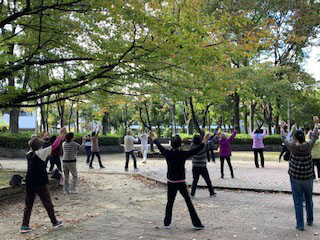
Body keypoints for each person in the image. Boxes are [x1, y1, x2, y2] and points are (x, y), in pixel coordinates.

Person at [150, 131, 210, 230]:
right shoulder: (182, 154)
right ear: (180, 144)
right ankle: (196, 223)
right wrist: (204, 141)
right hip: (181, 182)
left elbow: (160, 146)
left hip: (171, 182)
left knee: (170, 202)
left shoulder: (168, 153)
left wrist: (154, 138)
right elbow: (195, 151)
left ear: (171, 144)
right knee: (188, 202)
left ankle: (166, 223)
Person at [20, 128, 66, 234]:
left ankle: (24, 225)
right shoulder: (41, 153)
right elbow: (54, 146)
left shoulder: (29, 154)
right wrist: (60, 135)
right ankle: (54, 222)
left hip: (29, 181)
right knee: (47, 202)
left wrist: (42, 138)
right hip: (39, 182)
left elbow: (33, 145)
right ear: (39, 146)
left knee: (28, 204)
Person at [281, 116, 319, 231]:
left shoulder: (292, 147)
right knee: (309, 199)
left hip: (295, 178)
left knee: (298, 201)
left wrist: (282, 128)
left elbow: (284, 138)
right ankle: (310, 220)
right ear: (303, 137)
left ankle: (300, 224)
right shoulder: (308, 146)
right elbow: (314, 136)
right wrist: (316, 124)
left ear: (295, 138)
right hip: (308, 177)